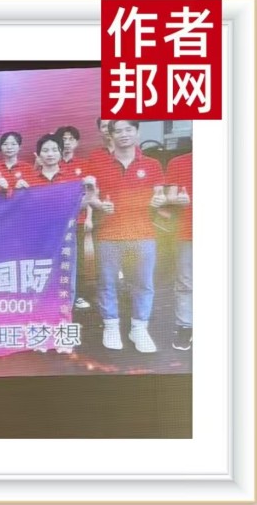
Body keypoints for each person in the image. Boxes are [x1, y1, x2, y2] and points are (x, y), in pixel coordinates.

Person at [87, 120, 166, 353]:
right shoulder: (99, 165)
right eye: (118, 131)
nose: (123, 134)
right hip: (109, 234)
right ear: (110, 136)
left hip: (143, 233)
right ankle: (111, 326)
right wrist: (99, 205)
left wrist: (159, 201)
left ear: (137, 132)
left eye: (128, 129)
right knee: (107, 282)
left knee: (143, 283)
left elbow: (160, 195)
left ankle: (139, 328)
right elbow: (90, 197)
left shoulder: (152, 164)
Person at [55, 125, 93, 310]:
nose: (67, 143)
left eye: (71, 139)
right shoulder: (52, 163)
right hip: (57, 222)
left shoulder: (84, 164)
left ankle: (77, 295)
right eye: (64, 139)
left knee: (76, 260)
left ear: (77, 142)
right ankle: (56, 295)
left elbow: (89, 194)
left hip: (77, 220)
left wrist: (89, 217)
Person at [165, 152, 193, 350]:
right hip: (187, 232)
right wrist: (177, 200)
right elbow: (169, 196)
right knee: (185, 281)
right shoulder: (178, 162)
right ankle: (185, 326)